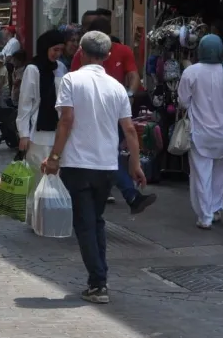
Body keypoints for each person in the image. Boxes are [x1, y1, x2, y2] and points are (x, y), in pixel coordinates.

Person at [42, 31, 145, 304]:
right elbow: (130, 130)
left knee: (86, 225)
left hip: (77, 164)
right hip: (107, 166)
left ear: (81, 54)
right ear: (108, 56)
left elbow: (66, 121)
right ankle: (100, 278)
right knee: (96, 221)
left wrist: (54, 157)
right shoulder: (117, 87)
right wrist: (134, 163)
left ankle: (98, 283)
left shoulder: (71, 80)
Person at [82, 17, 156, 213]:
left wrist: (129, 95)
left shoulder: (122, 51)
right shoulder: (83, 54)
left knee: (110, 154)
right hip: (95, 114)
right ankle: (129, 194)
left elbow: (133, 75)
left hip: (115, 112)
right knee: (110, 154)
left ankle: (119, 191)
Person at [178, 34, 223, 230]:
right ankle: (215, 209)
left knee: (201, 173)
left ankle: (205, 216)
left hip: (202, 132)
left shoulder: (192, 72)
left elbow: (183, 101)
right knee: (219, 172)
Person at [16, 30, 67, 227]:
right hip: (37, 133)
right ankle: (35, 219)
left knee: (55, 177)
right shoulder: (33, 69)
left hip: (57, 131)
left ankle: (49, 217)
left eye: (60, 50)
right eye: (55, 49)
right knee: (38, 177)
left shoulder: (60, 68)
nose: (57, 54)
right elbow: (25, 103)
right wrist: (23, 134)